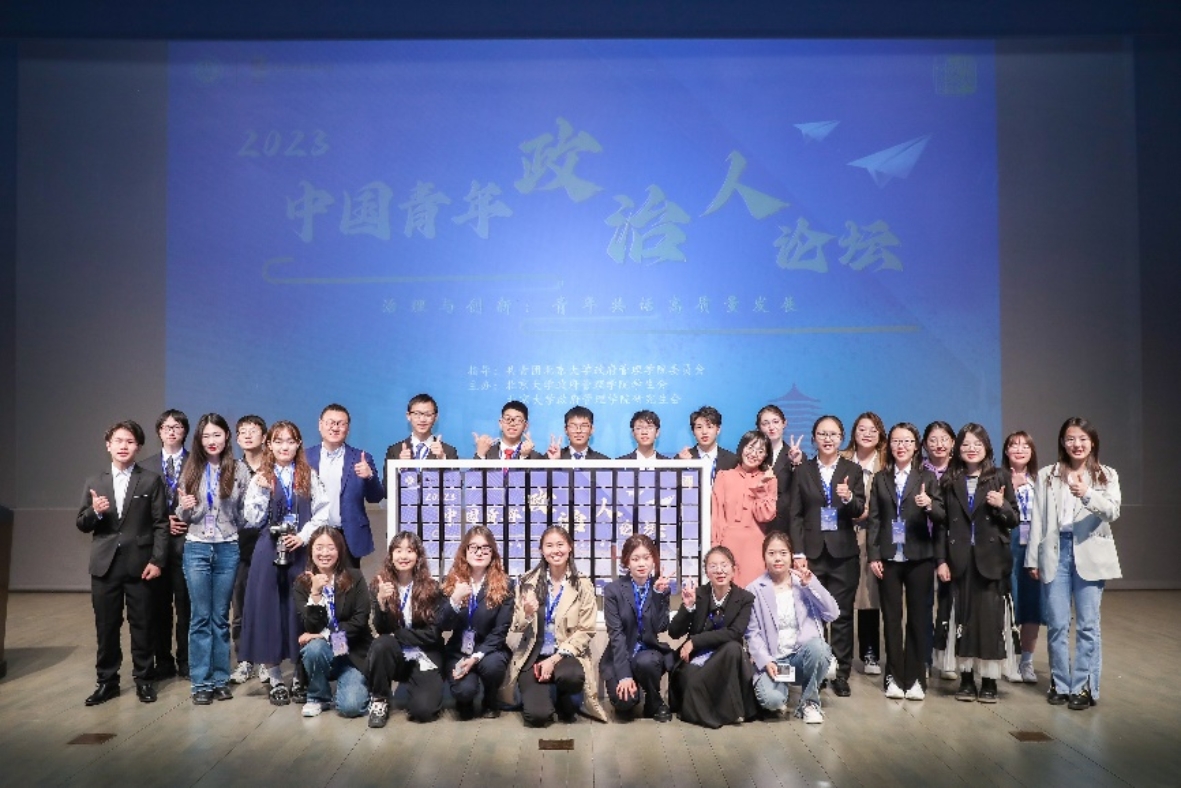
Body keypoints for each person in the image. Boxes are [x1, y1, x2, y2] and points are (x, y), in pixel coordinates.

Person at [1026, 417, 1121, 711]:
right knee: (1057, 623)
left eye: (1082, 439)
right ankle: (1060, 683)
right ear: (1062, 443)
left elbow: (1113, 512)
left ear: (1092, 442)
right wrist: (1033, 559)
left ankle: (1084, 686)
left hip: (1089, 552)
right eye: (1070, 439)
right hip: (1056, 551)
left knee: (1088, 624)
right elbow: (1038, 518)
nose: (1076, 444)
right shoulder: (1048, 475)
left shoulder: (1106, 475)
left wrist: (1087, 494)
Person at [76, 420, 169, 705]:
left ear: (138, 447)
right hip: (104, 565)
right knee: (106, 626)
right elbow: (82, 523)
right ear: (108, 445)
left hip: (141, 564)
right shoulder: (94, 481)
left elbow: (161, 524)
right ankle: (107, 682)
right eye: (118, 441)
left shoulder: (150, 480)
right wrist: (95, 512)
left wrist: (157, 560)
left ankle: (145, 679)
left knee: (143, 624)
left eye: (130, 441)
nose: (123, 446)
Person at [239, 420, 331, 706]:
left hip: (300, 550)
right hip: (268, 550)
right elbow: (252, 519)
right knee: (268, 611)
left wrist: (303, 537)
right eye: (278, 441)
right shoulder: (261, 477)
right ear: (269, 445)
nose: (284, 447)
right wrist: (261, 491)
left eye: (290, 441)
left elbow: (323, 511)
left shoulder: (308, 474)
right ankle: (275, 677)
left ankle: (300, 676)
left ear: (298, 444)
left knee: (299, 611)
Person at [929, 423, 1017, 704]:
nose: (971, 449)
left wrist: (1001, 504)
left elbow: (1014, 519)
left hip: (991, 561)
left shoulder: (1000, 476)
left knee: (989, 621)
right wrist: (941, 561)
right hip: (959, 562)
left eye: (977, 444)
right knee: (962, 619)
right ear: (958, 449)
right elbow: (942, 525)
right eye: (966, 444)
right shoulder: (950, 479)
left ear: (986, 448)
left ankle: (989, 681)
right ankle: (966, 679)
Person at [788, 415, 865, 697]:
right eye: (822, 434)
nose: (828, 439)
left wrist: (847, 497)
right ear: (814, 438)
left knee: (842, 615)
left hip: (843, 553)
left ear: (842, 438)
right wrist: (798, 552)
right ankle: (817, 669)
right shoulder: (803, 470)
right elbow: (795, 515)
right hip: (811, 553)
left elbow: (859, 509)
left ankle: (841, 673)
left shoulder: (853, 470)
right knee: (812, 615)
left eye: (833, 434)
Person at [175, 413, 250, 704]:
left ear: (227, 436)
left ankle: (220, 679)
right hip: (196, 547)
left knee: (220, 618)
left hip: (227, 547)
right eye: (206, 436)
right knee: (200, 618)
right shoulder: (190, 467)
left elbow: (244, 515)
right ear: (199, 439)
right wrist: (184, 507)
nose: (211, 441)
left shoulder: (239, 469)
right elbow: (183, 515)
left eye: (216, 434)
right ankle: (200, 683)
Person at [867, 422, 941, 701]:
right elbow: (875, 520)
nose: (901, 446)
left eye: (907, 441)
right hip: (888, 557)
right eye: (897, 441)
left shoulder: (927, 477)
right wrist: (874, 555)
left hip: (919, 556)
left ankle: (916, 677)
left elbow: (942, 515)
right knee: (892, 618)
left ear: (916, 446)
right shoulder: (880, 478)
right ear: (889, 445)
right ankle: (893, 676)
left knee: (919, 618)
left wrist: (929, 505)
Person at [506, 526, 607, 726]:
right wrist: (527, 613)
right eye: (549, 546)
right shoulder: (528, 581)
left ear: (570, 547)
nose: (555, 550)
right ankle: (544, 699)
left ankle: (564, 699)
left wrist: (553, 660)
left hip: (565, 655)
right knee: (537, 717)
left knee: (571, 678)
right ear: (542, 550)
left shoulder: (583, 585)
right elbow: (516, 626)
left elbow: (586, 630)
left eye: (560, 544)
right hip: (534, 654)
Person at [746, 531, 838, 723]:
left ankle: (809, 703)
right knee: (772, 701)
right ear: (764, 557)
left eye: (783, 553)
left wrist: (811, 585)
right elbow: (752, 633)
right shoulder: (754, 589)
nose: (778, 558)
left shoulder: (803, 582)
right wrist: (765, 660)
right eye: (771, 553)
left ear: (791, 556)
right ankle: (781, 689)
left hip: (800, 658)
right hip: (775, 663)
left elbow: (832, 613)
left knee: (820, 648)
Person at [366, 531, 451, 726]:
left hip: (425, 653)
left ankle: (425, 686)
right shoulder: (379, 586)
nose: (403, 556)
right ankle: (379, 699)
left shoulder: (432, 588)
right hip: (396, 654)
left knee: (424, 711)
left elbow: (432, 634)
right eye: (398, 550)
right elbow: (382, 630)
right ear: (391, 555)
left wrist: (397, 634)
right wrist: (382, 604)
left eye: (410, 551)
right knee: (381, 644)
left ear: (418, 556)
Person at [667, 546, 756, 728]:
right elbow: (674, 632)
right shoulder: (698, 594)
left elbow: (735, 632)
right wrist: (688, 607)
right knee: (690, 679)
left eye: (724, 565)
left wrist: (695, 641)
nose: (719, 570)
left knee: (733, 648)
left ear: (733, 569)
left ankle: (727, 710)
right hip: (697, 657)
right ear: (706, 572)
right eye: (713, 566)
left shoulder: (745, 598)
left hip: (727, 659)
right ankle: (724, 712)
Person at [293, 526, 372, 718]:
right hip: (324, 653)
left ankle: (364, 688)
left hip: (352, 652)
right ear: (311, 550)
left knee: (351, 707)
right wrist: (315, 593)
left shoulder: (355, 577)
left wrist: (325, 635)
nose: (325, 553)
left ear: (339, 550)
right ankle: (318, 696)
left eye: (331, 547)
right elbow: (310, 626)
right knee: (314, 648)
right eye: (319, 547)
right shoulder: (302, 583)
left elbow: (360, 621)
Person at [441, 525, 515, 719]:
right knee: (464, 692)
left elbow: (500, 630)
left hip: (490, 649)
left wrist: (475, 658)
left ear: (493, 553)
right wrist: (455, 600)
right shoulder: (451, 581)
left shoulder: (506, 585)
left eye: (485, 548)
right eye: (473, 547)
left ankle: (490, 699)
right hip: (459, 650)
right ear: (465, 551)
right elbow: (442, 624)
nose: (479, 552)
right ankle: (464, 700)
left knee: (492, 666)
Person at [600, 534, 674, 722]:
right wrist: (624, 676)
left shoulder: (660, 587)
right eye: (635, 559)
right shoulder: (613, 590)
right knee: (624, 703)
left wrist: (658, 594)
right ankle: (634, 691)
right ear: (626, 562)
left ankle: (654, 701)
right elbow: (616, 635)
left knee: (647, 662)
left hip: (648, 654)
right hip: (621, 655)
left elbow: (660, 626)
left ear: (653, 560)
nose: (641, 563)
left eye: (646, 558)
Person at [140, 409, 191, 680]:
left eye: (177, 426)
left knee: (186, 607)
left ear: (185, 431)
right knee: (158, 608)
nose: (171, 431)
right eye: (166, 427)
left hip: (188, 545)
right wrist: (162, 522)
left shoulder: (198, 463)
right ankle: (163, 660)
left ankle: (186, 660)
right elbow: (137, 510)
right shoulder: (145, 466)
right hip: (156, 548)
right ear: (159, 432)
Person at [305, 403, 385, 567]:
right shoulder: (304, 457)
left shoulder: (362, 458)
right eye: (330, 422)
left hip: (348, 536)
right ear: (320, 425)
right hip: (313, 533)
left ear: (348, 429)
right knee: (313, 581)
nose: (335, 428)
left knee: (349, 581)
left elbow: (375, 498)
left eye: (341, 424)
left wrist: (369, 477)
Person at [840, 412, 887, 677]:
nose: (867, 434)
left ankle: (870, 652)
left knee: (870, 595)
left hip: (874, 535)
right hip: (843, 533)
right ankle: (838, 653)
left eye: (873, 430)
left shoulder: (886, 463)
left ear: (880, 434)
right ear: (853, 432)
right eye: (862, 429)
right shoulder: (842, 459)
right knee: (843, 594)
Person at [711, 430, 778, 588]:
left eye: (760, 451)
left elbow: (766, 516)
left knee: (753, 592)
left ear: (766, 456)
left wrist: (761, 488)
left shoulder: (769, 479)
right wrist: (716, 545)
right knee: (727, 592)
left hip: (755, 545)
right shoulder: (724, 476)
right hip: (727, 542)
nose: (754, 454)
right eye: (750, 447)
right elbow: (717, 515)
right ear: (742, 448)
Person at [1001, 430, 1042, 684]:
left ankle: (1026, 662)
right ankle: (1007, 660)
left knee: (1031, 606)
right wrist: (1011, 488)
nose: (1019, 450)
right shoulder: (997, 478)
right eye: (1014, 445)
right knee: (1007, 604)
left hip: (1033, 546)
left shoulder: (1041, 480)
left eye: (1025, 446)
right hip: (1006, 545)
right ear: (1006, 450)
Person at [228, 415, 266, 685]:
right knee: (239, 605)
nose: (248, 435)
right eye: (242, 432)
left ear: (264, 437)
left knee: (266, 605)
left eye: (253, 431)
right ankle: (244, 660)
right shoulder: (231, 469)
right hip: (238, 546)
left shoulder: (274, 467)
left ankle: (266, 659)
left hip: (267, 544)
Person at [923, 420, 958, 680]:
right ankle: (925, 657)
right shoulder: (917, 470)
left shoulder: (959, 472)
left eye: (944, 439)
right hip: (921, 542)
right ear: (924, 444)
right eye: (933, 440)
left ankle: (947, 657)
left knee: (949, 603)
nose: (939, 444)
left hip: (951, 545)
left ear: (953, 442)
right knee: (924, 605)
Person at [385, 393, 460, 489]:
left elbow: (456, 488)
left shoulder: (449, 451)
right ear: (408, 416)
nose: (422, 419)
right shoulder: (395, 450)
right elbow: (386, 489)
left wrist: (442, 460)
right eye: (417, 414)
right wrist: (400, 467)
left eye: (428, 414)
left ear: (436, 417)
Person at [755, 404, 805, 534]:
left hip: (784, 523)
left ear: (784, 423)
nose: (771, 427)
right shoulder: (752, 456)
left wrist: (796, 464)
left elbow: (803, 490)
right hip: (756, 522)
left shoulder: (797, 455)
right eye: (765, 423)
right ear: (759, 427)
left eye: (776, 422)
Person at [677, 405, 738, 480]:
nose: (704, 432)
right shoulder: (681, 459)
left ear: (718, 429)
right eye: (699, 427)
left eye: (709, 427)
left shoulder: (732, 460)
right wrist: (684, 465)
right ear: (693, 431)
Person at [473, 399, 545, 460]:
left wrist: (524, 457)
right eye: (508, 419)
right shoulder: (486, 452)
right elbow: (472, 473)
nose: (512, 424)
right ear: (500, 423)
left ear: (525, 426)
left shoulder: (536, 457)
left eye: (518, 420)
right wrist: (480, 454)